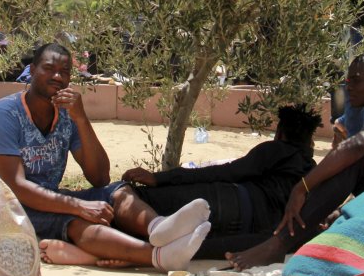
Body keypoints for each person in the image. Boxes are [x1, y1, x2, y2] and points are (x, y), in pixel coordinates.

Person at [0, 43, 211, 271]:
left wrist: (81, 119)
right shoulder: (5, 114)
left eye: (64, 72)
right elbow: (16, 187)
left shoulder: (66, 114)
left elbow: (100, 177)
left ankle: (158, 228)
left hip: (50, 198)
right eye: (49, 68)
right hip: (12, 209)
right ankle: (159, 256)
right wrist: (78, 206)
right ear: (32, 71)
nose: (57, 76)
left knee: (119, 192)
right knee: (76, 221)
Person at [227, 52, 364, 270]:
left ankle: (277, 246)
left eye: (356, 80)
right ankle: (225, 246)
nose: (348, 87)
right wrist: (339, 210)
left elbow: (356, 151)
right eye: (347, 80)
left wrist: (302, 187)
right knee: (311, 228)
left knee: (353, 157)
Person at [122, 104, 321, 259]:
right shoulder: (315, 174)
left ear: (280, 134)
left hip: (228, 202)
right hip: (241, 230)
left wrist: (160, 178)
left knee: (142, 200)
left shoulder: (277, 150)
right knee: (161, 230)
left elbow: (225, 173)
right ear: (310, 142)